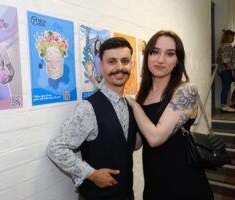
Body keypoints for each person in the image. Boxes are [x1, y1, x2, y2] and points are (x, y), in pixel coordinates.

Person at [47, 37, 140, 200]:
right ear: (101, 66)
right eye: (112, 61)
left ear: (131, 64)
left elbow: (126, 146)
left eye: (125, 61)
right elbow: (56, 148)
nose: (119, 67)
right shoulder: (88, 108)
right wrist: (91, 174)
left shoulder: (131, 104)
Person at [126, 30, 213, 200]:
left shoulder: (186, 91)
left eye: (170, 54)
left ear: (177, 61)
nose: (160, 60)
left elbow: (155, 138)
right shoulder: (143, 95)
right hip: (155, 184)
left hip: (185, 185)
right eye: (155, 52)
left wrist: (133, 104)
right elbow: (137, 143)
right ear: (148, 56)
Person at [216, 29, 235, 112]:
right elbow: (226, 60)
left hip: (223, 70)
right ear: (227, 37)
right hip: (226, 70)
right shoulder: (227, 46)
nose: (233, 38)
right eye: (232, 36)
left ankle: (227, 104)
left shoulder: (223, 46)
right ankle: (224, 105)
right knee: (226, 87)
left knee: (226, 87)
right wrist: (232, 70)